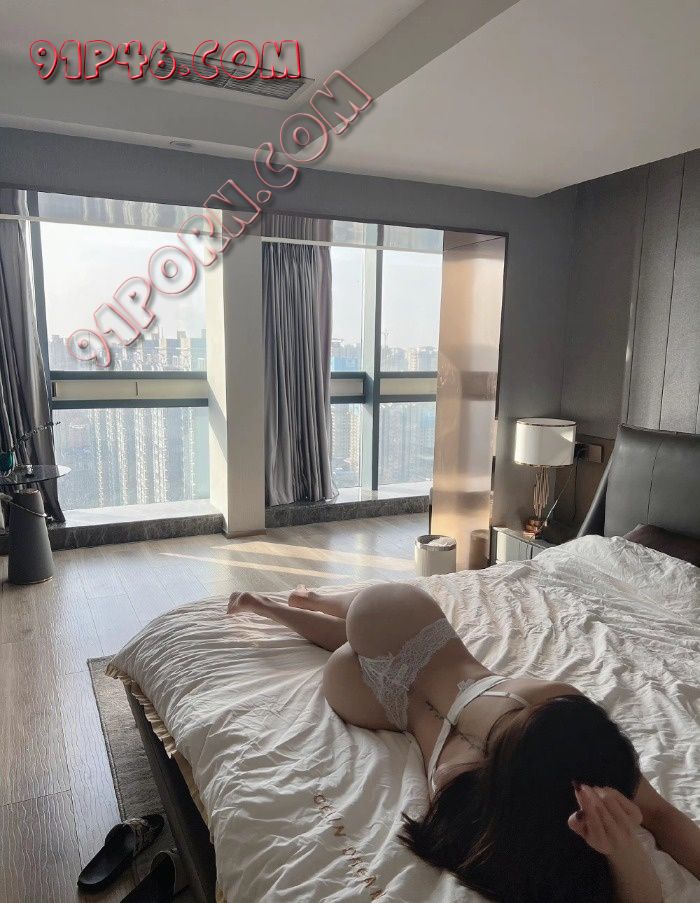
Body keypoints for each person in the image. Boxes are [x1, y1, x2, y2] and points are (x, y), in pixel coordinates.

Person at [228, 582, 700, 903]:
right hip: (421, 644)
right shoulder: (569, 722)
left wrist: (623, 852)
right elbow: (662, 816)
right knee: (370, 617)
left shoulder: (489, 820)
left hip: (387, 704)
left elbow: (657, 824)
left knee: (352, 652)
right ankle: (316, 601)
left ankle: (287, 611)